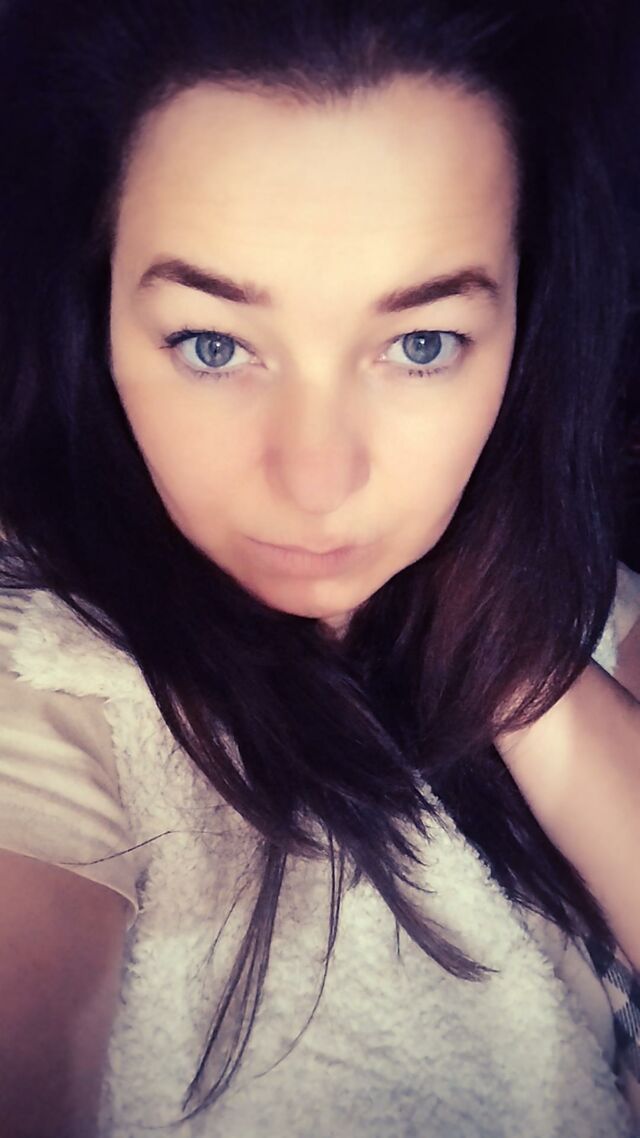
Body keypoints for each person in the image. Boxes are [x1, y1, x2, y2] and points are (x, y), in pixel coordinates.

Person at [0, 0, 639, 1135]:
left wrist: (509, 653)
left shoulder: (603, 626)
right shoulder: (41, 670)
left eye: (421, 345)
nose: (314, 479)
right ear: (94, 317)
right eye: (213, 344)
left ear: (527, 330)